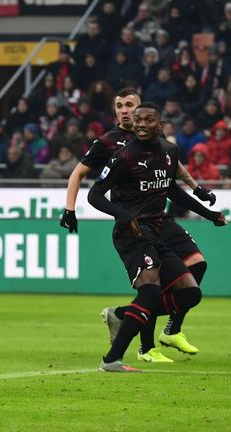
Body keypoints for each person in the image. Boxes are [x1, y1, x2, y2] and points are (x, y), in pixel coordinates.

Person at [62, 89, 217, 362]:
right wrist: (70, 208)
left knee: (196, 269)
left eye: (130, 106)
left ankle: (152, 324)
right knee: (151, 289)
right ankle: (143, 348)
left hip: (160, 218)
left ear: (150, 117)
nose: (127, 112)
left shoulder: (162, 144)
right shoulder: (113, 146)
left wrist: (198, 191)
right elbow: (81, 176)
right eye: (120, 106)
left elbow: (171, 173)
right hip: (134, 222)